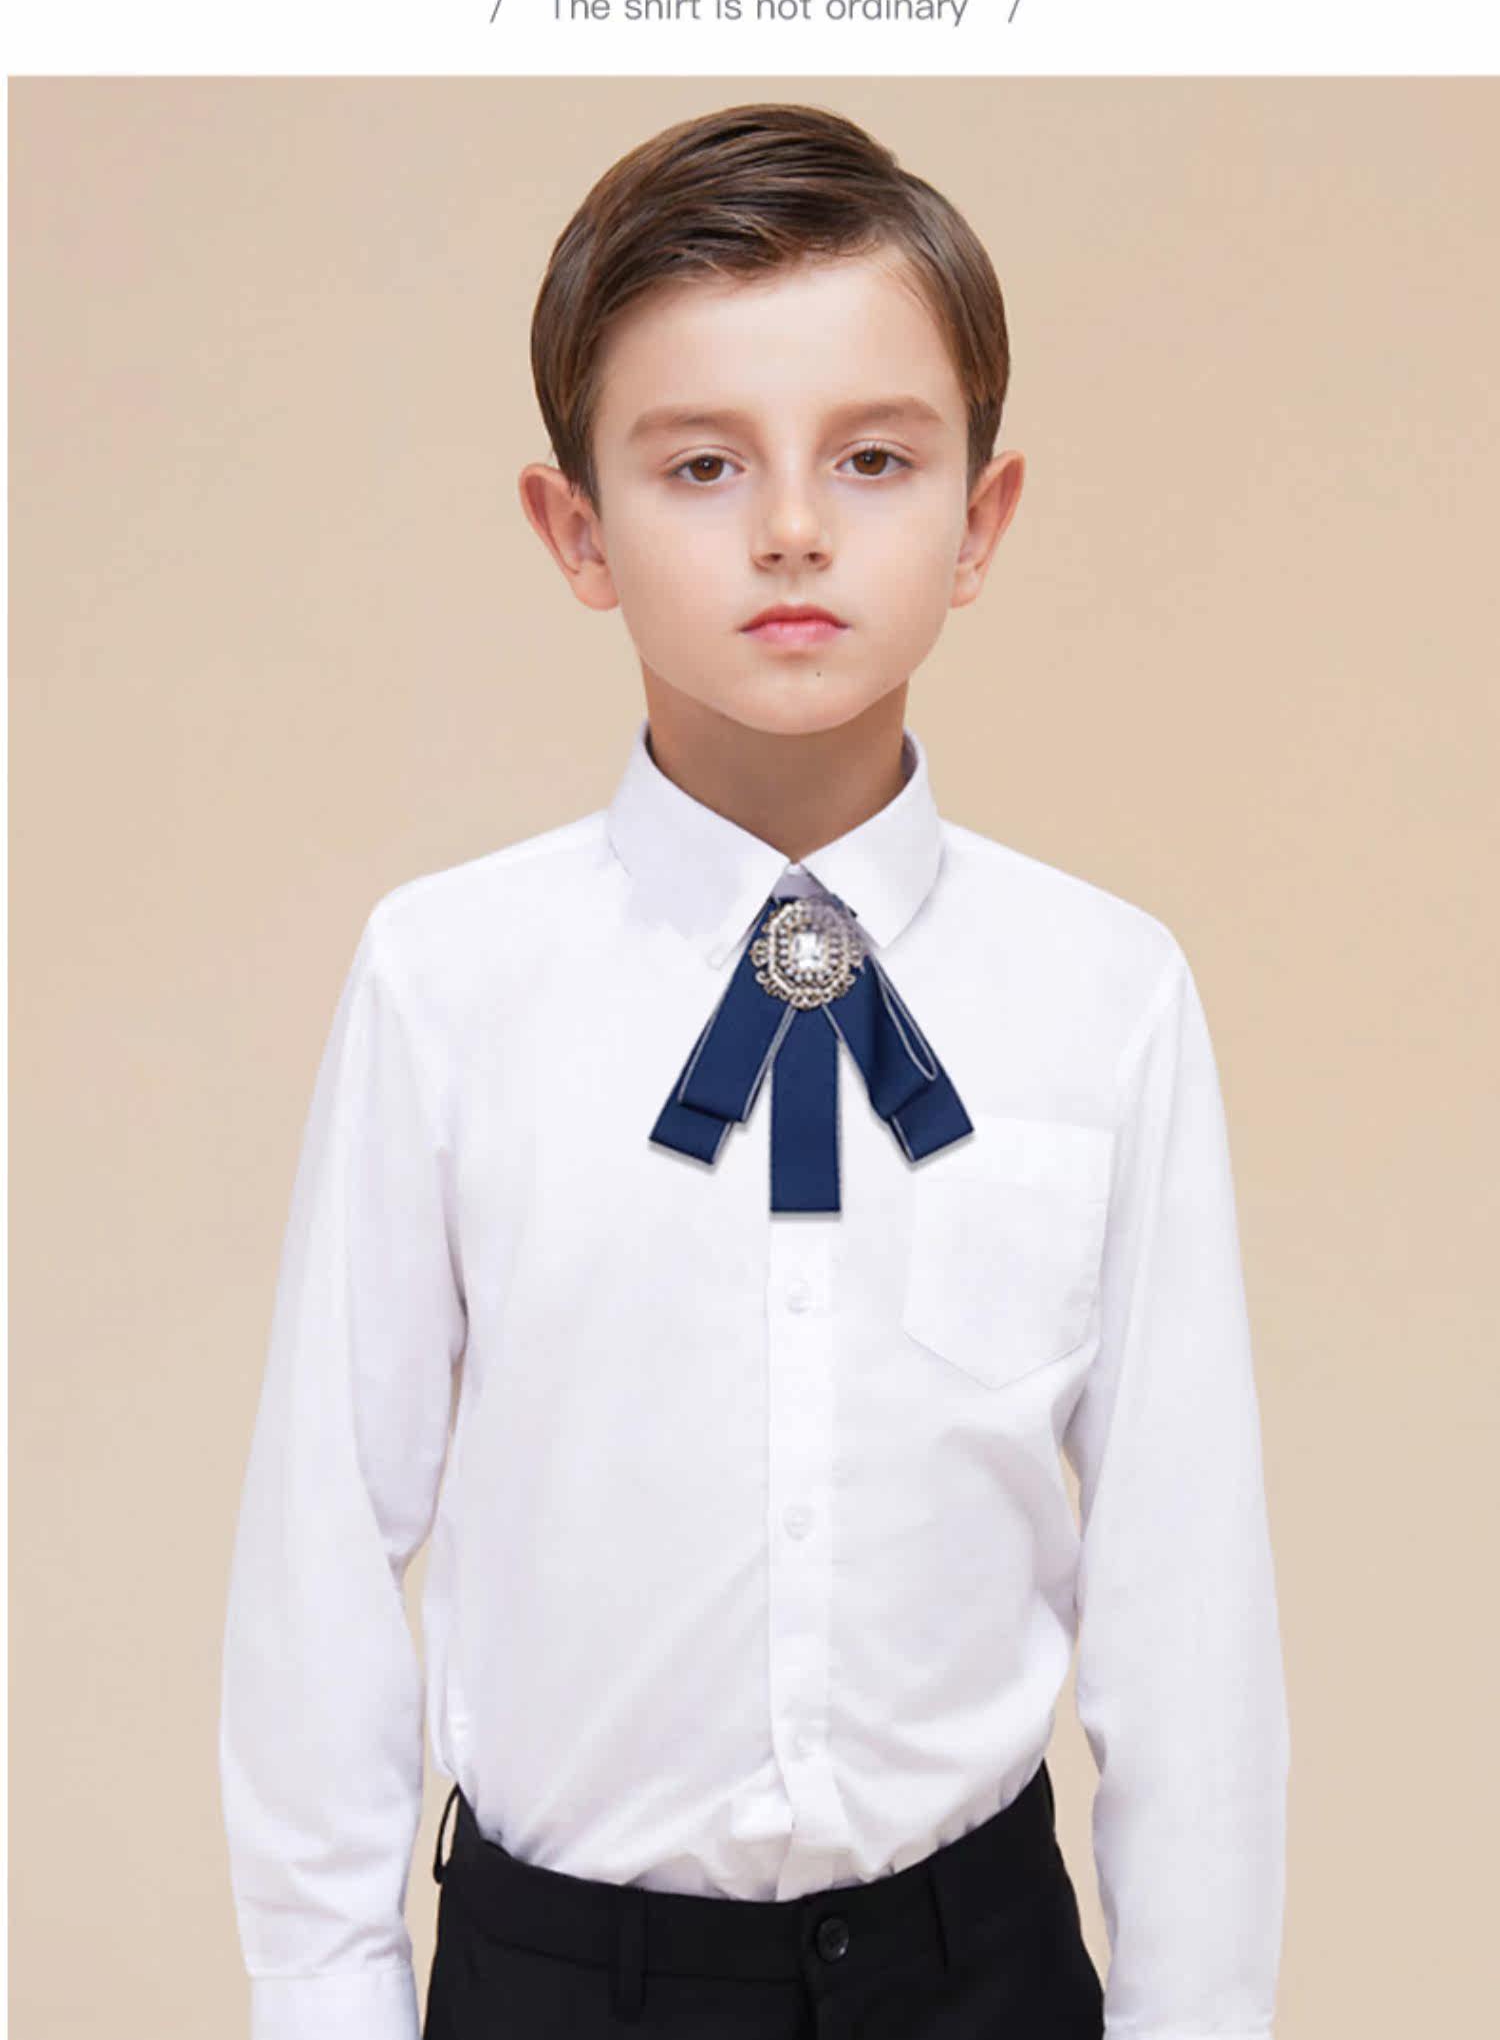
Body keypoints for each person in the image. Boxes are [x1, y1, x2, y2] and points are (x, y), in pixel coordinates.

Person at [219, 101, 1290, 2040]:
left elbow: (1183, 1592)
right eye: (702, 463)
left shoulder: (1106, 994)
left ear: (982, 520)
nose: (793, 526)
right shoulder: (446, 984)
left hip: (981, 1974)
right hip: (568, 1983)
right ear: (576, 529)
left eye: (874, 458)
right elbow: (322, 1554)